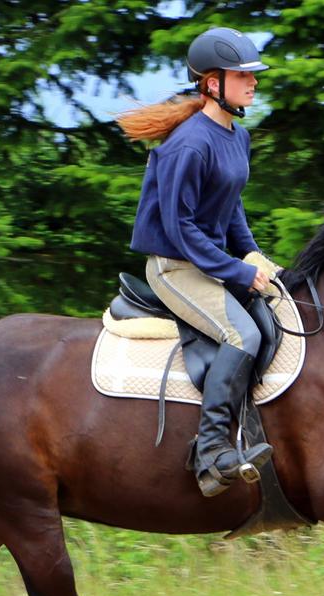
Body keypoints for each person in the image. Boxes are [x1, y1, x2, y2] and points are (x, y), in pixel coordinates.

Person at [117, 27, 281, 498]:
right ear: (213, 84)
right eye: (242, 75)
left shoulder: (236, 136)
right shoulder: (189, 144)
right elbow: (182, 230)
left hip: (211, 262)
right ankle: (210, 454)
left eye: (253, 75)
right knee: (242, 334)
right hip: (175, 267)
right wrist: (240, 272)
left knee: (274, 318)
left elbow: (231, 205)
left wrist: (250, 250)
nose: (253, 83)